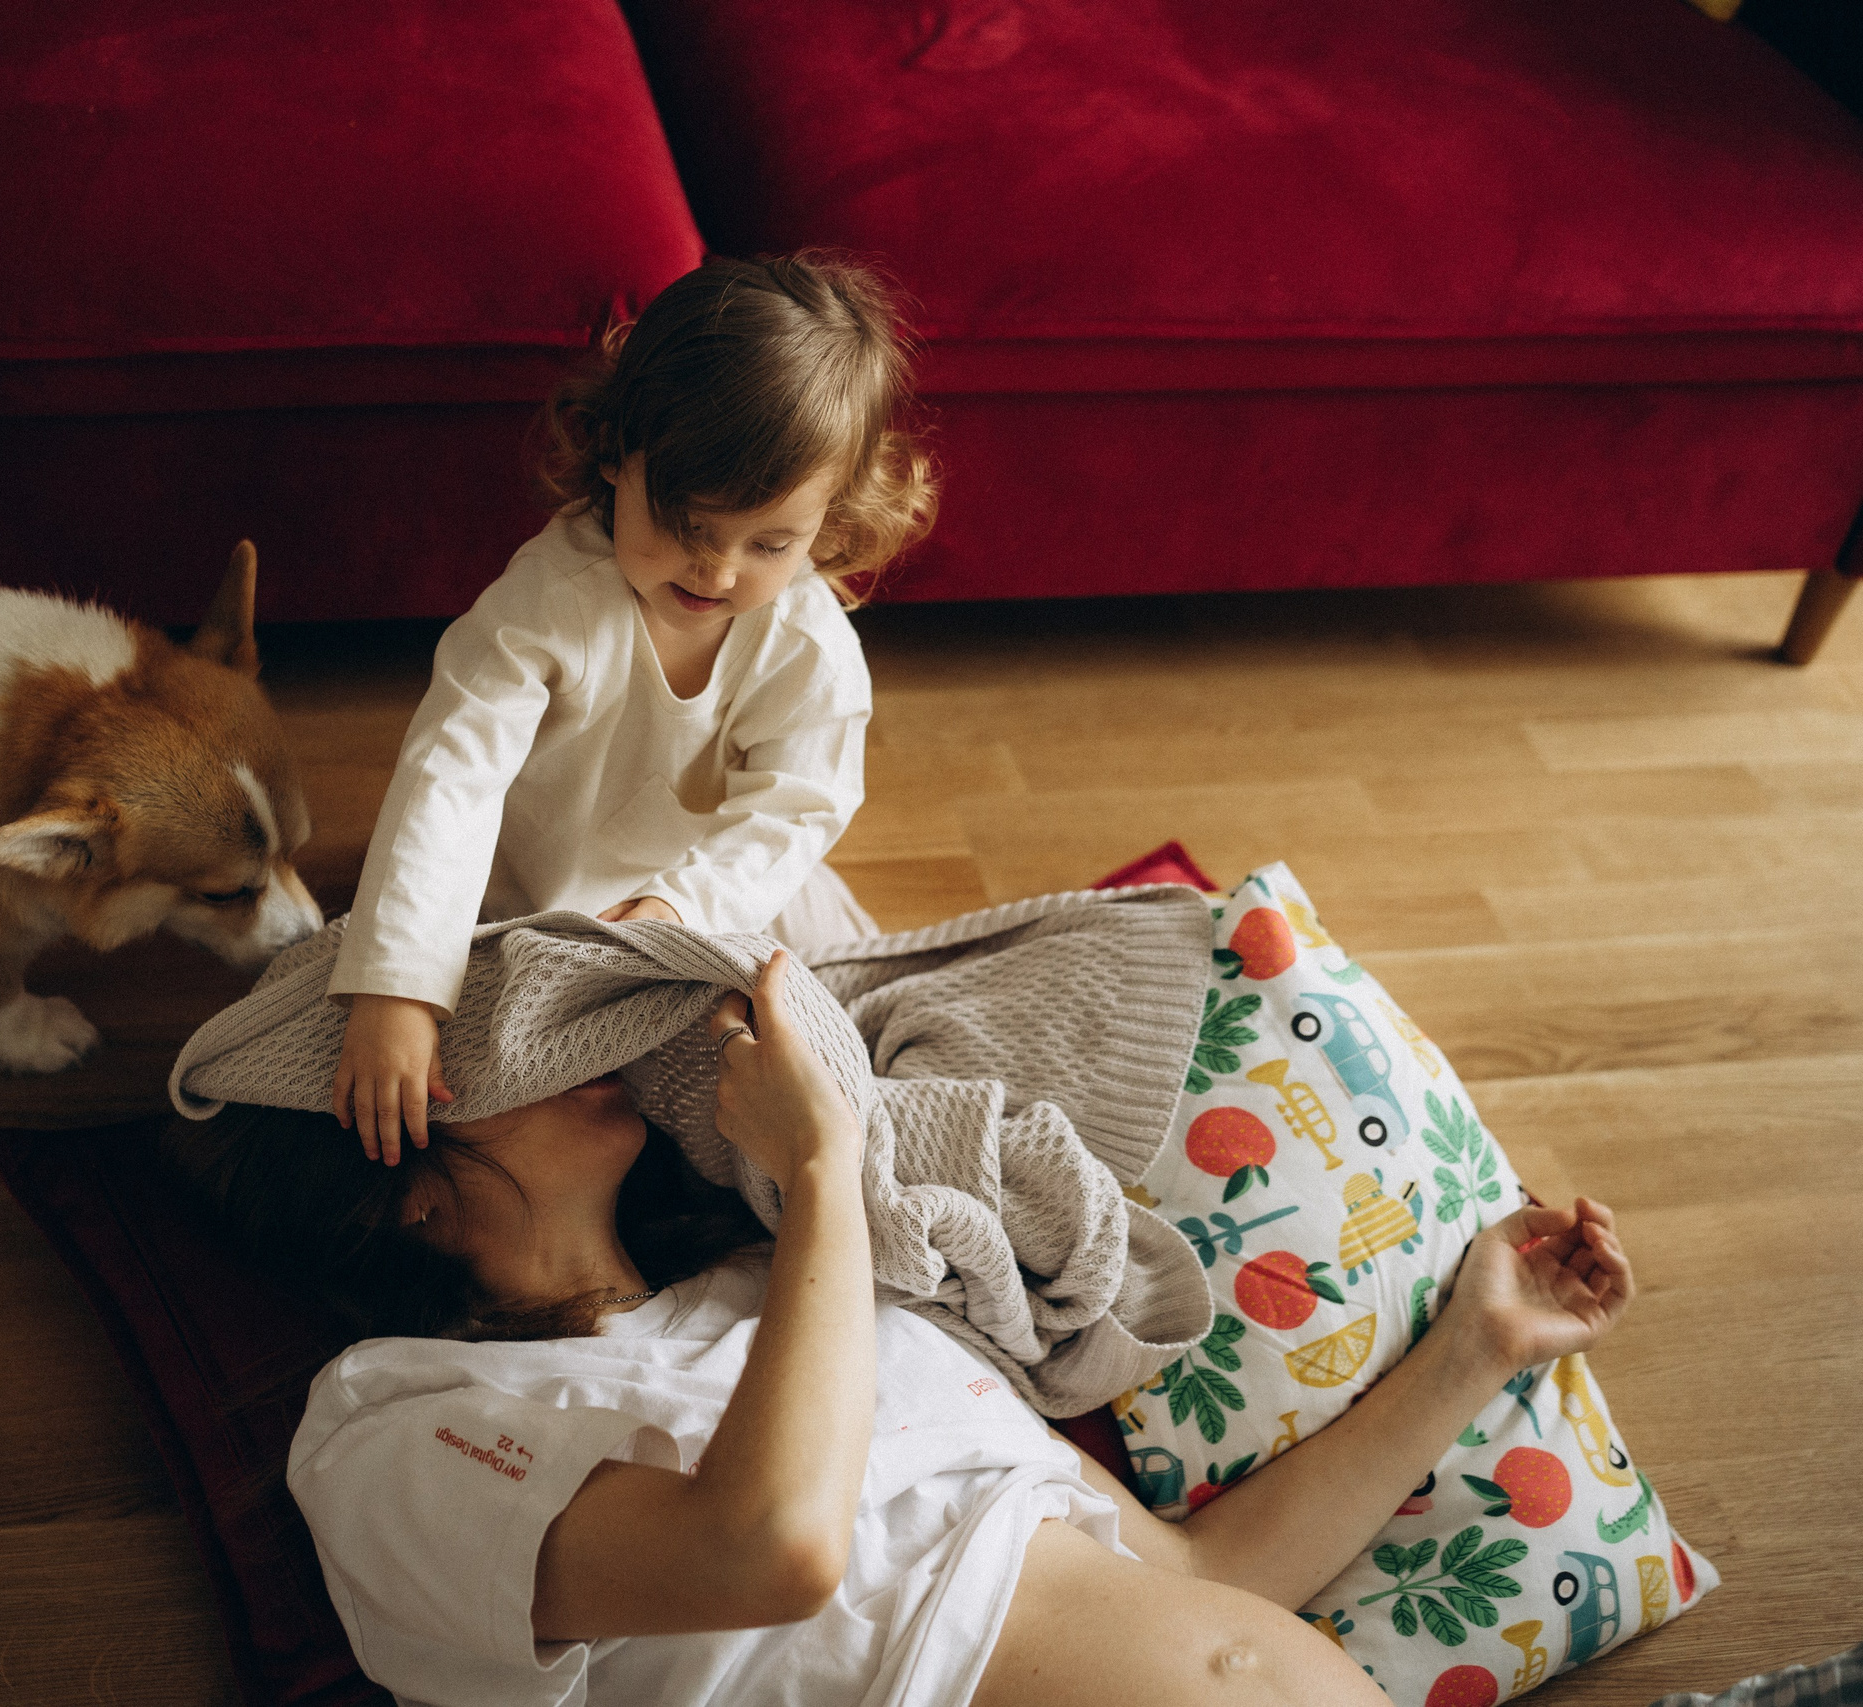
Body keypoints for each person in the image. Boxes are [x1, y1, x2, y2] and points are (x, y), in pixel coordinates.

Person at [171, 952, 1637, 1707]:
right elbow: (765, 1549)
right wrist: (819, 1171)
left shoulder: (794, 1288)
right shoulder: (381, 1425)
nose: (568, 1030)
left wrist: (1480, 1346)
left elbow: (1196, 1571)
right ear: (393, 1183)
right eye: (496, 1041)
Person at [327, 253, 936, 1165]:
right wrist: (399, 988)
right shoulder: (549, 601)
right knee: (490, 1072)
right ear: (616, 455)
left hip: (722, 885)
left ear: (830, 522)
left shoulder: (805, 638)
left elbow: (796, 806)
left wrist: (681, 902)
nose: (719, 572)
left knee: (847, 990)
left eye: (770, 542)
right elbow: (452, 774)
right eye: (687, 525)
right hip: (537, 896)